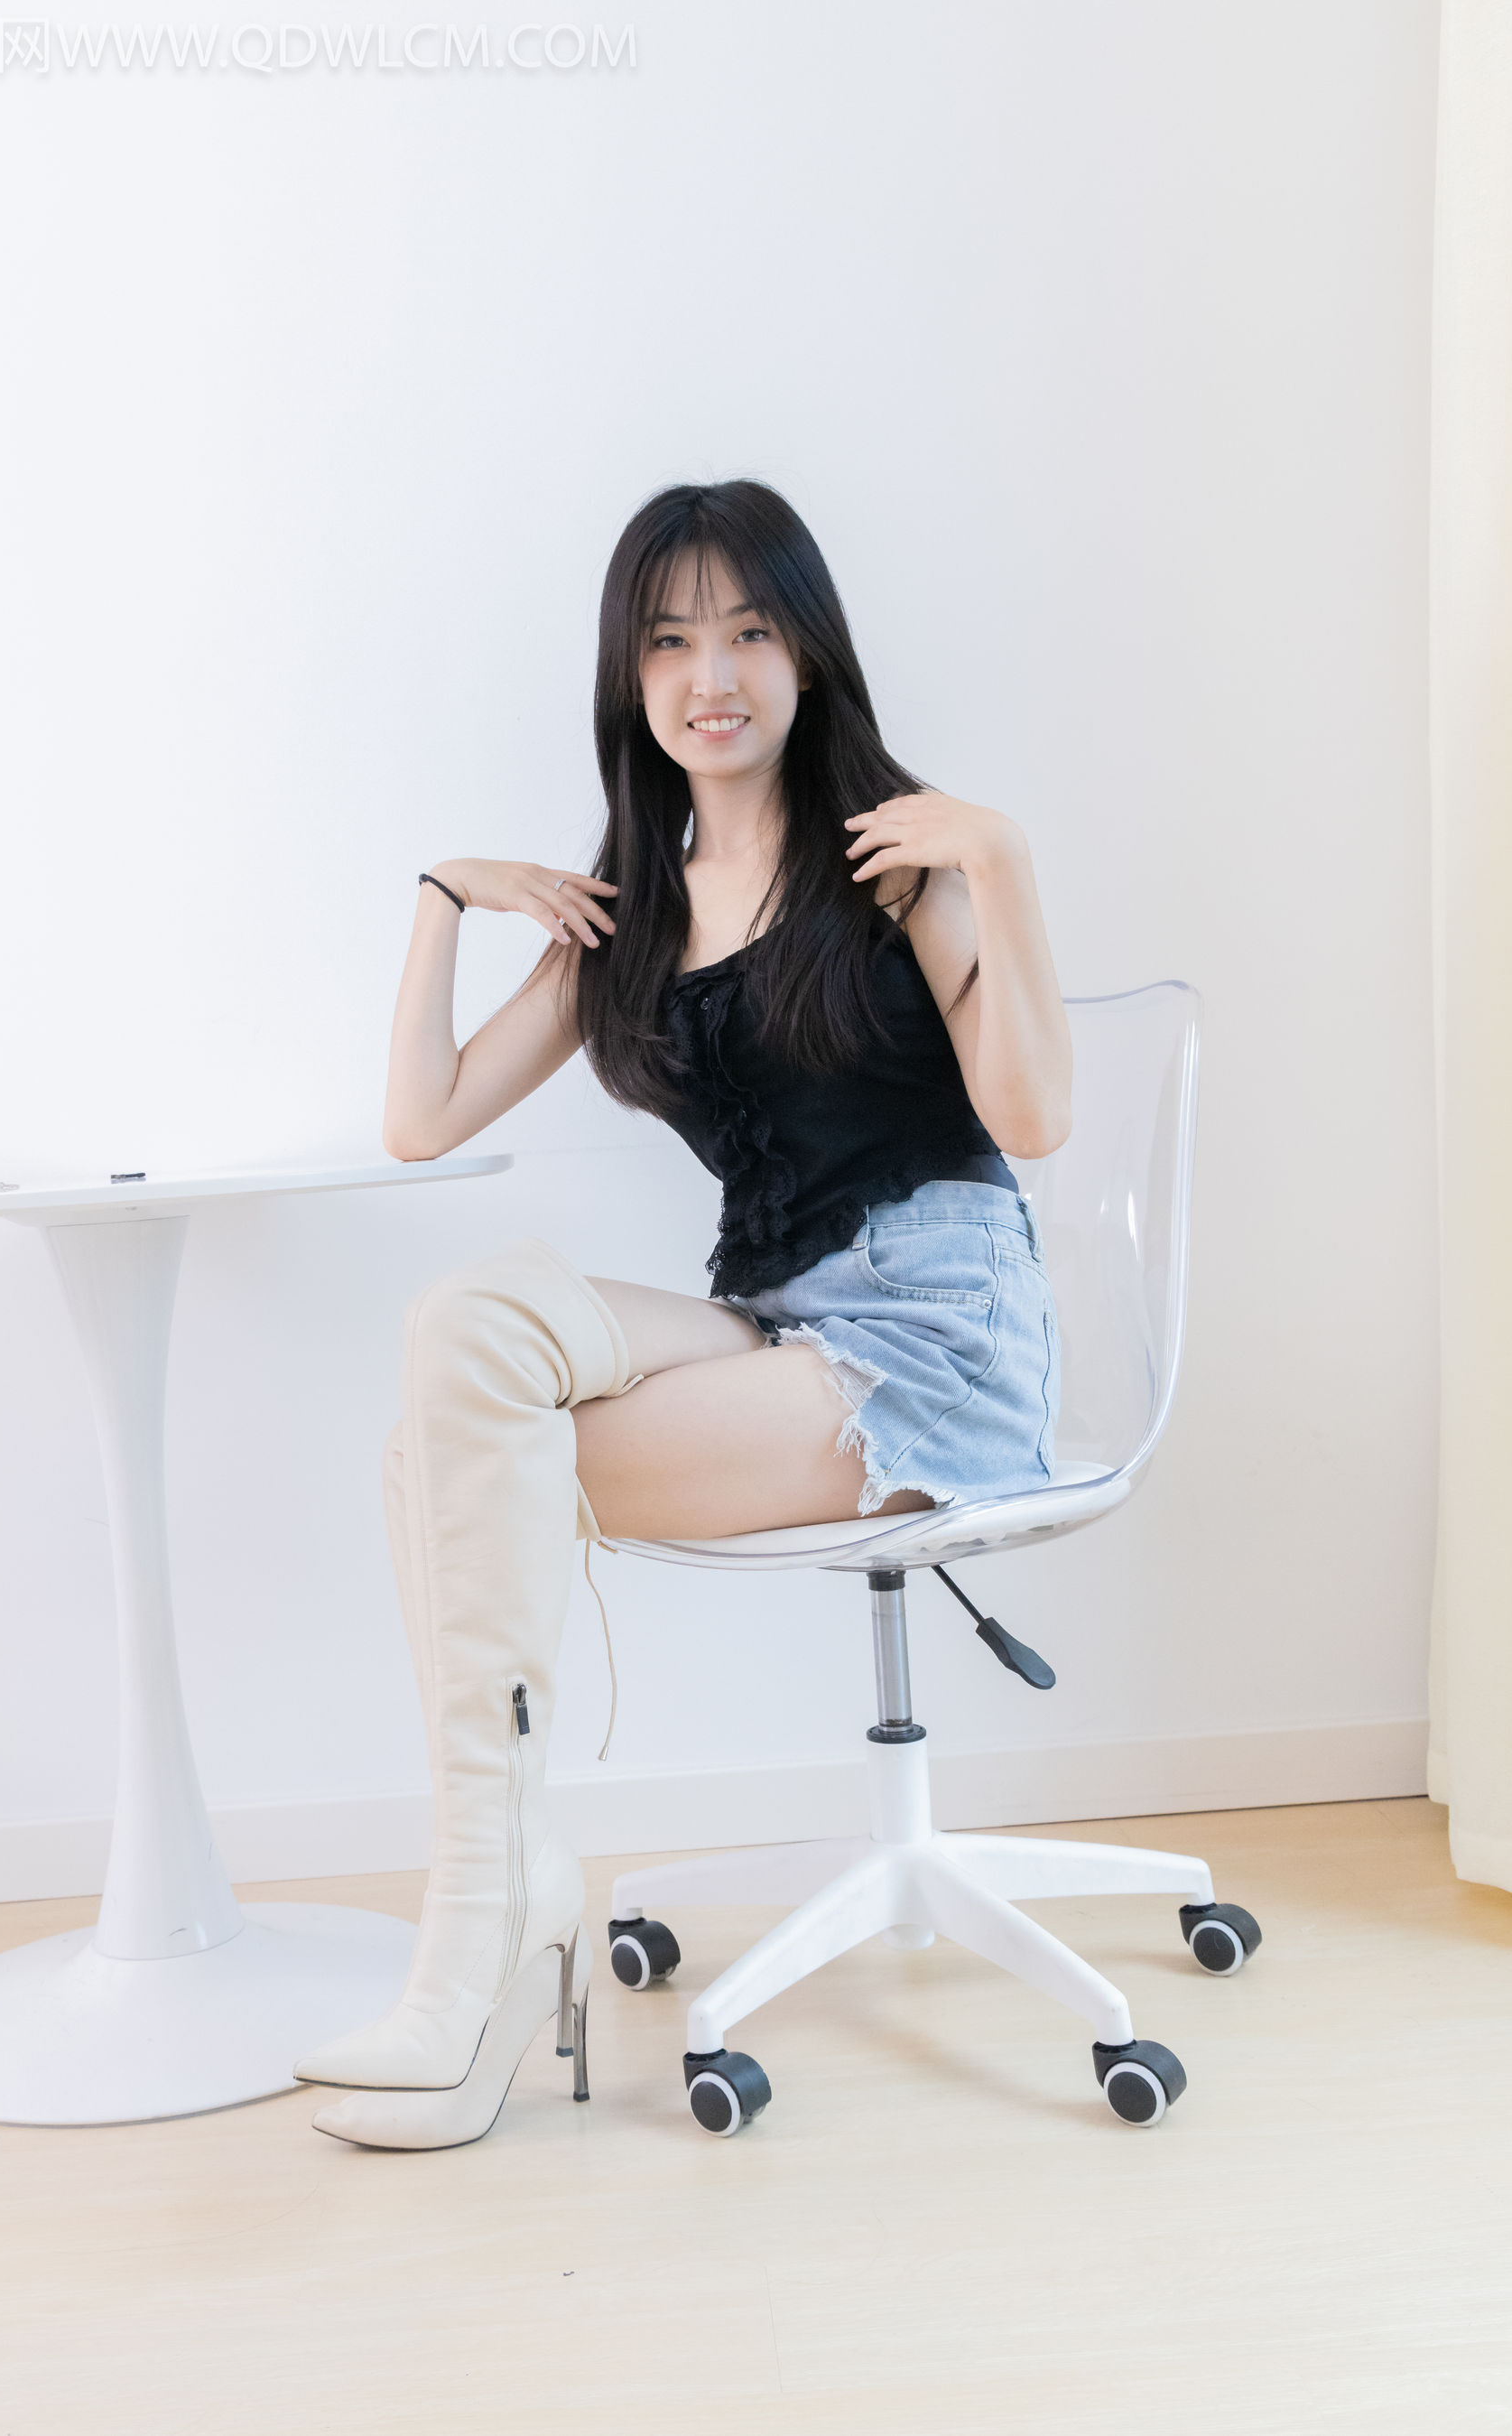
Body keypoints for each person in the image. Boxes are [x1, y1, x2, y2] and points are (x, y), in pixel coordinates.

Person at [298, 479, 1072, 2151]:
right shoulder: (630, 919)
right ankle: (500, 1904)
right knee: (468, 1338)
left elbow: (1034, 1117)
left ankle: (483, 1941)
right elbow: (422, 1117)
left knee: (437, 1468)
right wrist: (441, 897)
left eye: (746, 631)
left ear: (806, 653)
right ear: (628, 676)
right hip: (771, 1321)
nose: (709, 675)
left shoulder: (896, 865)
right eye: (668, 641)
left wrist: (1001, 863)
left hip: (939, 1334)